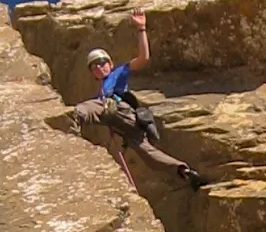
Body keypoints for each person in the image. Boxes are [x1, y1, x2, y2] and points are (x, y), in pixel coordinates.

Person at [72, 10, 205, 187]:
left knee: (88, 107)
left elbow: (143, 58)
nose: (99, 67)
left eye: (102, 62)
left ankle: (72, 119)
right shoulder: (101, 93)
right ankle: (183, 171)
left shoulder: (118, 73)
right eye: (94, 66)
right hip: (127, 125)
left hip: (120, 110)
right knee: (148, 153)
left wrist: (141, 29)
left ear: (110, 64)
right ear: (92, 73)